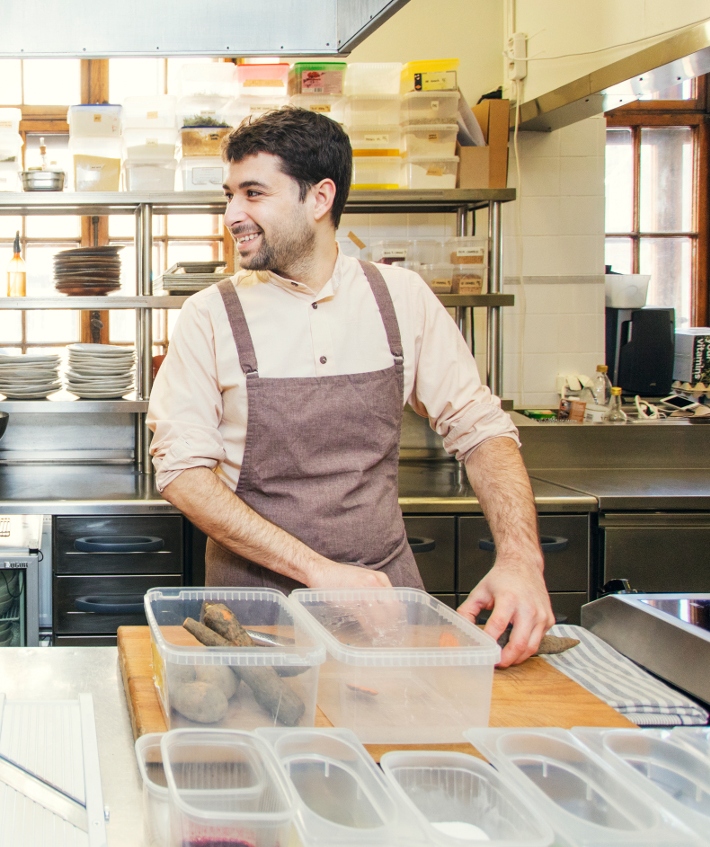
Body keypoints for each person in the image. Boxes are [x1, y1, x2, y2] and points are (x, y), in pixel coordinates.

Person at [147, 109, 553, 667]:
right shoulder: (210, 314)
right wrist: (320, 573)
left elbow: (482, 431)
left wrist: (520, 558)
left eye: (253, 193)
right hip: (256, 616)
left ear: (319, 198)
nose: (231, 215)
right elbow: (182, 473)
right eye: (229, 195)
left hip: (384, 607)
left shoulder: (400, 298)